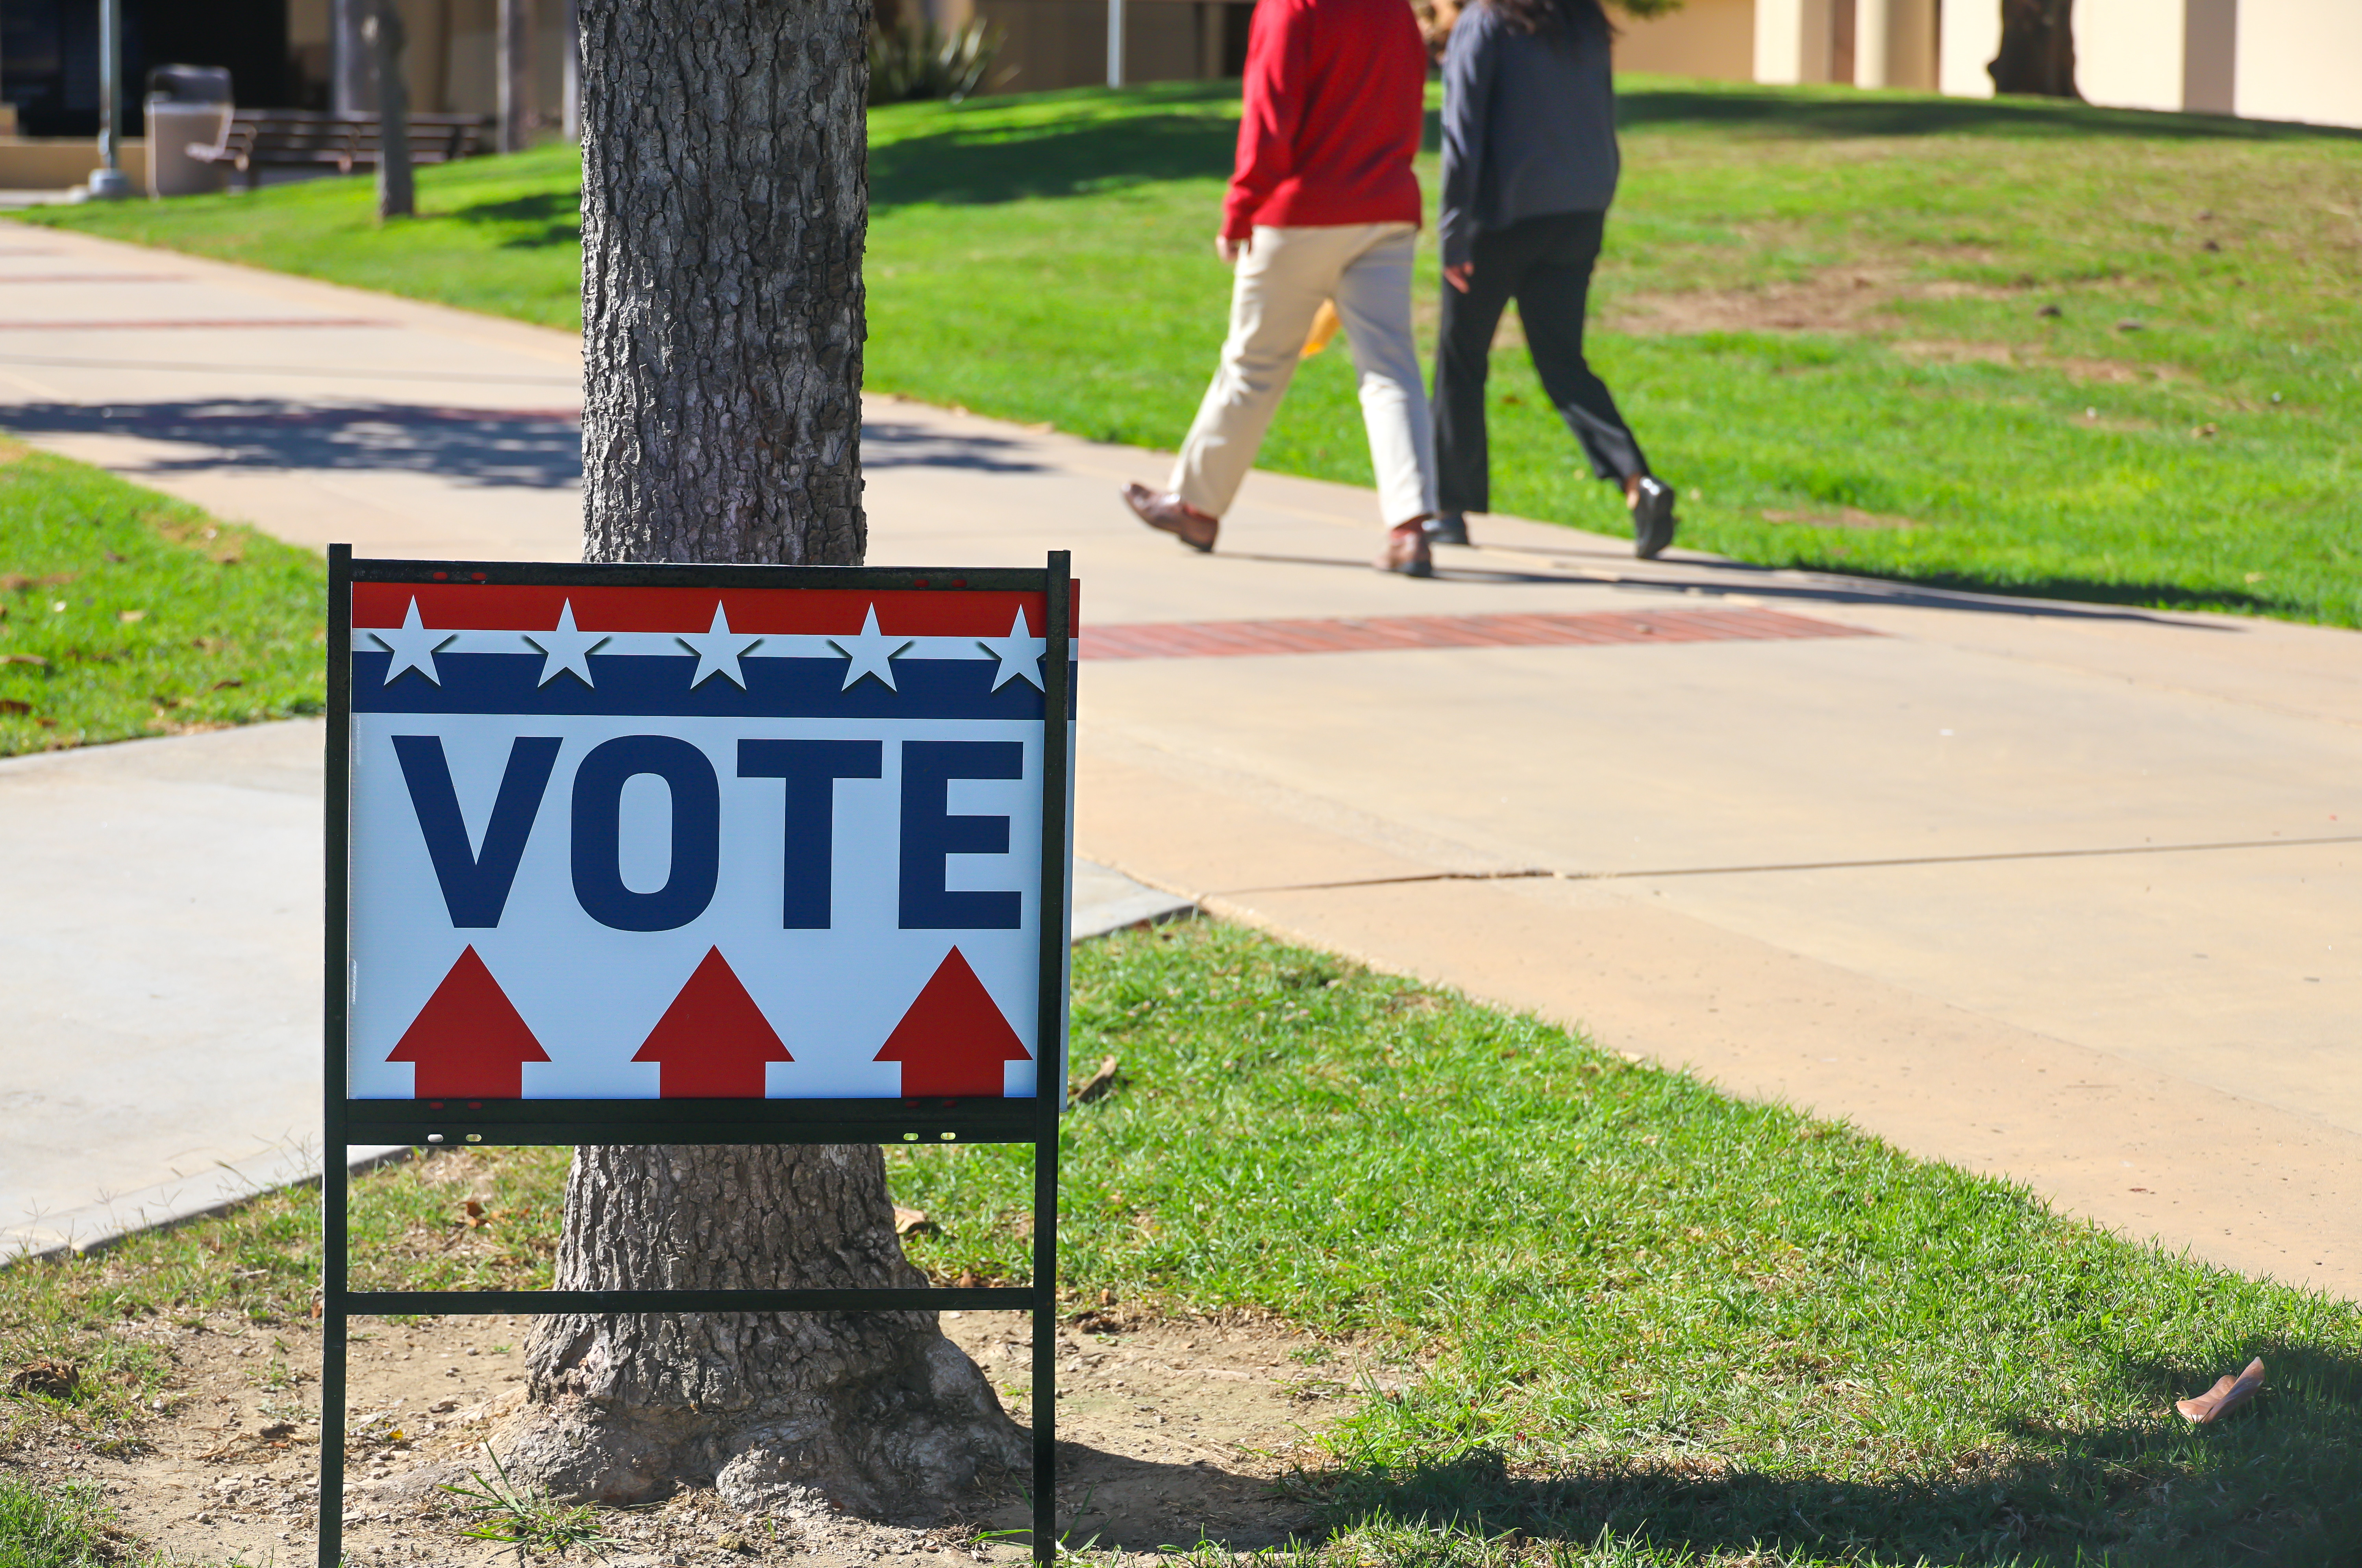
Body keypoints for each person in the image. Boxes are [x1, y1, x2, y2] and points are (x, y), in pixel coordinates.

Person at [1120, 0, 1441, 577]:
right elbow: (1408, 102)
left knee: (1255, 363)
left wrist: (1240, 209)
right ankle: (1411, 527)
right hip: (1387, 208)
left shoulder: (1293, 8)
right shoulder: (1393, 9)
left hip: (1301, 213)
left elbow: (1269, 115)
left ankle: (1197, 507)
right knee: (1391, 370)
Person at [1428, 0, 1676, 559]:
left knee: (1461, 359)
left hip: (1503, 219)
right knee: (1563, 360)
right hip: (1579, 213)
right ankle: (1639, 483)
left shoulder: (1486, 22)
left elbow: (1461, 130)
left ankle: (1450, 510)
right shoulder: (1584, 19)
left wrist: (1453, 233)